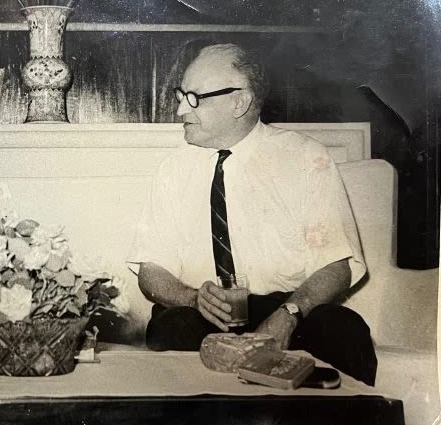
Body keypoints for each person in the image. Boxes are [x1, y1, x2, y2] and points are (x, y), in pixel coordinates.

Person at [129, 43, 377, 385]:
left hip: (287, 308)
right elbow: (150, 270)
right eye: (180, 95)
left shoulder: (305, 158)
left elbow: (336, 265)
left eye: (194, 98)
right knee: (169, 327)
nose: (180, 109)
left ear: (239, 102)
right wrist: (193, 298)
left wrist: (289, 314)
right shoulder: (173, 170)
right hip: (203, 314)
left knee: (345, 329)